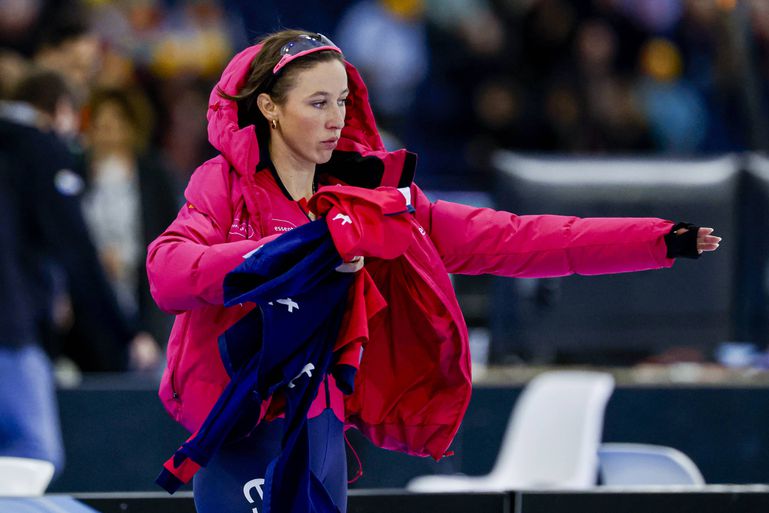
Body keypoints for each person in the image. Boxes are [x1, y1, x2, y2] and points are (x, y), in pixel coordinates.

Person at [146, 30, 721, 513]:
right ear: (269, 108)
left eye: (343, 101)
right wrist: (301, 252)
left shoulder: (377, 203)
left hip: (321, 425)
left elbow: (518, 239)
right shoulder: (219, 186)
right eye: (317, 103)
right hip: (240, 427)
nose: (335, 118)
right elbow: (169, 273)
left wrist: (655, 240)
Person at [0, 67, 150, 479]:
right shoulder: (40, 148)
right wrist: (126, 333)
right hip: (10, 332)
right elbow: (77, 251)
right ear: (62, 112)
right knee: (34, 456)